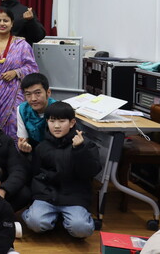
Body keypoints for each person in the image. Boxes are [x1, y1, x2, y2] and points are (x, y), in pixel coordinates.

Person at [22, 101, 101, 238]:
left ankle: (62, 219)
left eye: (62, 121)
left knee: (81, 229)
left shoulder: (85, 145)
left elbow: (91, 172)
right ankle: (56, 219)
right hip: (47, 196)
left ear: (72, 123)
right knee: (35, 222)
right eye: (52, 121)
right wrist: (25, 154)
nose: (56, 126)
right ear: (47, 122)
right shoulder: (42, 147)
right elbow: (34, 174)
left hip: (74, 196)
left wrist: (79, 150)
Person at [0, 7, 39, 140]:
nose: (2, 23)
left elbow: (33, 68)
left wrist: (16, 72)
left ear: (12, 23)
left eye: (5, 20)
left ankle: (16, 152)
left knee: (15, 125)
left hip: (14, 95)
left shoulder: (22, 45)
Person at [16, 73, 57, 153]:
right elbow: (23, 139)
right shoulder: (22, 109)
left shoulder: (57, 109)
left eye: (38, 93)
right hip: (34, 149)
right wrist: (23, 146)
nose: (33, 99)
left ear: (48, 92)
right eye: (28, 94)